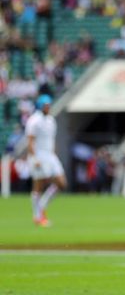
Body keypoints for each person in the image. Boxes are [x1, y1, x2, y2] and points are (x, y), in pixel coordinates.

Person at [26, 94, 67, 227]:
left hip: (50, 155)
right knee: (38, 185)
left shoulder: (51, 120)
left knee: (61, 183)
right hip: (39, 155)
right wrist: (34, 158)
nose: (48, 108)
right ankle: (37, 216)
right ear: (40, 106)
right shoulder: (34, 121)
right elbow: (30, 141)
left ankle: (42, 205)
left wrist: (53, 154)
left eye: (49, 105)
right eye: (46, 105)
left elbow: (51, 140)